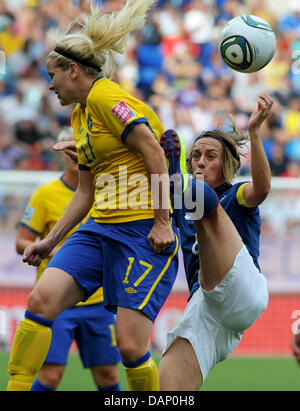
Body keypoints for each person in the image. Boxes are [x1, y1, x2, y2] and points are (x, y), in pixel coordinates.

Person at [7, 0, 180, 392]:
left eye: (53, 76)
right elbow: (85, 191)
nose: (50, 86)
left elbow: (155, 150)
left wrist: (162, 222)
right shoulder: (79, 114)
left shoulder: (105, 98)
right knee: (39, 303)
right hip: (99, 228)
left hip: (140, 234)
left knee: (132, 346)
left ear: (73, 70)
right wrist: (49, 241)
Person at [158, 94, 273, 390]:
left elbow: (262, 188)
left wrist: (255, 132)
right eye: (195, 155)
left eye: (210, 156)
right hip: (207, 304)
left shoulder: (234, 195)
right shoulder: (178, 204)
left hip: (241, 287)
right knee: (167, 387)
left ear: (226, 165)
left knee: (201, 200)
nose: (200, 161)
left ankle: (172, 178)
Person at [16, 126, 121, 391]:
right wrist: (53, 251)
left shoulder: (107, 192)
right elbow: (22, 241)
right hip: (57, 301)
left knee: (108, 375)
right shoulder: (45, 194)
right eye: (71, 146)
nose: (77, 152)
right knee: (50, 375)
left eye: (82, 145)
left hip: (100, 301)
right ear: (63, 153)